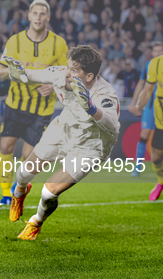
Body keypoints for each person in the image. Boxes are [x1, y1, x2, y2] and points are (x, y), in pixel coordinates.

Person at [6, 45, 120, 240]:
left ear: (89, 77)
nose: (67, 73)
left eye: (73, 70)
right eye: (68, 67)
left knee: (49, 193)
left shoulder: (105, 94)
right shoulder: (62, 74)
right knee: (24, 172)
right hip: (62, 130)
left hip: (90, 147)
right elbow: (31, 75)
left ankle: (36, 222)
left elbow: (113, 126)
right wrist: (19, 74)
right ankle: (19, 193)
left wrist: (92, 109)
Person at [0, 0, 68, 206]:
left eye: (42, 14)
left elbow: (67, 74)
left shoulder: (59, 44)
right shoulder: (14, 42)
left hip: (41, 109)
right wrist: (13, 73)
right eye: (35, 13)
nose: (38, 17)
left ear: (48, 17)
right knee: (6, 146)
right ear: (28, 16)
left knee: (29, 156)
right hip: (14, 105)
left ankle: (16, 189)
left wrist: (54, 86)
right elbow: (0, 72)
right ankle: (5, 193)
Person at [129, 42, 163, 177]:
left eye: (160, 50)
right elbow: (142, 84)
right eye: (156, 51)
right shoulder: (149, 65)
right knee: (144, 135)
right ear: (152, 52)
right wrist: (135, 103)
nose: (158, 53)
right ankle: (137, 167)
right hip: (150, 106)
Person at [136, 53, 163, 201]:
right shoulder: (156, 64)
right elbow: (147, 90)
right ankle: (161, 182)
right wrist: (139, 105)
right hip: (161, 120)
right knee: (156, 157)